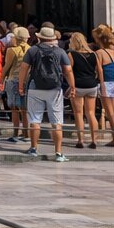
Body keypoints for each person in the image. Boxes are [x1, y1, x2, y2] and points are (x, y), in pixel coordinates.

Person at [20, 25, 72, 162]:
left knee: (35, 120)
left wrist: (21, 86)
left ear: (39, 37)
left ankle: (33, 148)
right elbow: (68, 70)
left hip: (35, 87)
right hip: (54, 89)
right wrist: (72, 86)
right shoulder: (60, 51)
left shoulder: (32, 50)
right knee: (57, 122)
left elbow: (24, 68)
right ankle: (58, 152)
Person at [67, 32, 102, 149]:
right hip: (91, 85)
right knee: (91, 113)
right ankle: (94, 140)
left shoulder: (71, 54)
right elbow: (99, 70)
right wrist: (100, 83)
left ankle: (80, 140)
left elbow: (69, 71)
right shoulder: (94, 54)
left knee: (78, 113)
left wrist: (71, 85)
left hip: (78, 85)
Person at [93, 26, 114, 148]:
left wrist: (101, 84)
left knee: (110, 113)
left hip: (106, 82)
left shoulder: (99, 53)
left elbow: (100, 70)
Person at [3, 26, 31, 142]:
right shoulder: (31, 49)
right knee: (25, 109)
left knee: (14, 108)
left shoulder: (12, 50)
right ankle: (26, 134)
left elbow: (6, 67)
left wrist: (1, 79)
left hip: (13, 79)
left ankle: (15, 133)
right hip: (26, 80)